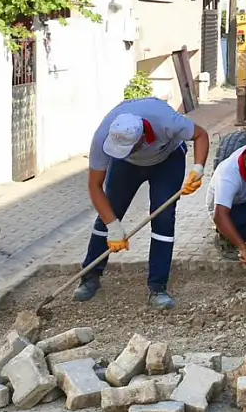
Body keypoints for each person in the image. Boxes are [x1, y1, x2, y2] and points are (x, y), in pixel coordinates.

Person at [75, 97, 210, 310]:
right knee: (109, 213)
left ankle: (158, 287)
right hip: (126, 167)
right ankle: (90, 276)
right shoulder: (104, 136)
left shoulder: (166, 120)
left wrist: (199, 168)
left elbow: (201, 134)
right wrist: (113, 226)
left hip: (167, 159)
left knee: (163, 219)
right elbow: (94, 186)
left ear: (141, 139)